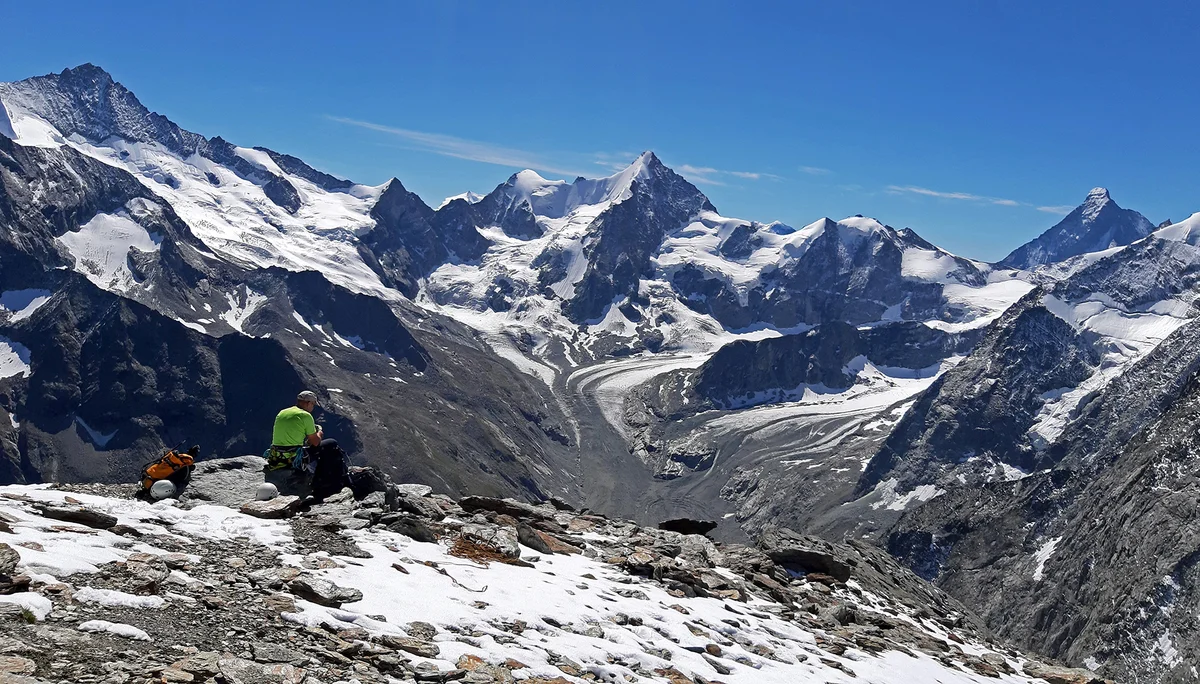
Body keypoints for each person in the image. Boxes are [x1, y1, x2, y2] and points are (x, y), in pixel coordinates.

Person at [268, 390, 351, 499]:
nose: (313, 408)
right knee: (331, 444)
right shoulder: (305, 416)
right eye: (313, 405)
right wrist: (319, 433)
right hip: (293, 458)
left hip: (277, 457)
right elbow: (315, 442)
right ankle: (327, 482)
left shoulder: (282, 412)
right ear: (308, 403)